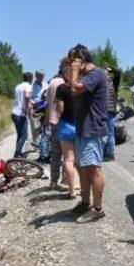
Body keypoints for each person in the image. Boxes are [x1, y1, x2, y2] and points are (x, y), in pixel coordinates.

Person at [68, 44, 109, 223]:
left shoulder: (96, 74)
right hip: (84, 129)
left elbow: (74, 89)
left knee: (94, 169)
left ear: (81, 60)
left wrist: (75, 72)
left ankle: (98, 209)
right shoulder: (88, 75)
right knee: (83, 168)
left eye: (74, 62)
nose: (71, 66)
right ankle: (85, 203)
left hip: (93, 129)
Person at [55, 58, 78, 199]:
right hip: (80, 127)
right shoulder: (81, 88)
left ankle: (71, 191)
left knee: (68, 160)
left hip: (66, 126)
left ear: (65, 75)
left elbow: (60, 109)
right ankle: (81, 187)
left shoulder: (62, 88)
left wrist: (57, 105)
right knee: (80, 160)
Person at [45, 60, 66, 189]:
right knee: (68, 154)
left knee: (56, 154)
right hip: (63, 121)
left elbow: (48, 104)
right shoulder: (64, 83)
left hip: (53, 122)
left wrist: (46, 120)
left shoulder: (52, 82)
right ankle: (65, 180)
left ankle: (53, 181)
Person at [11, 72, 33, 158]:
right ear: (31, 79)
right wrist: (28, 107)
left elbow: (20, 99)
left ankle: (17, 154)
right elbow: (27, 96)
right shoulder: (28, 86)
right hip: (20, 114)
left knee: (20, 135)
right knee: (24, 135)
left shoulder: (18, 86)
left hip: (14, 113)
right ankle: (17, 154)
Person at [29, 69, 46, 142]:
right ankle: (35, 141)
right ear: (36, 76)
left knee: (44, 125)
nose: (41, 77)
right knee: (34, 125)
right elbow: (29, 98)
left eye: (42, 76)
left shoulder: (46, 85)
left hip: (45, 106)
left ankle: (43, 142)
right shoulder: (31, 86)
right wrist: (31, 109)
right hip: (35, 107)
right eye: (39, 76)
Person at [104, 68, 118, 161]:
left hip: (107, 111)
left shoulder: (106, 84)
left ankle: (109, 154)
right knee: (110, 133)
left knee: (107, 133)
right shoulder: (113, 84)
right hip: (111, 111)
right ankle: (109, 153)